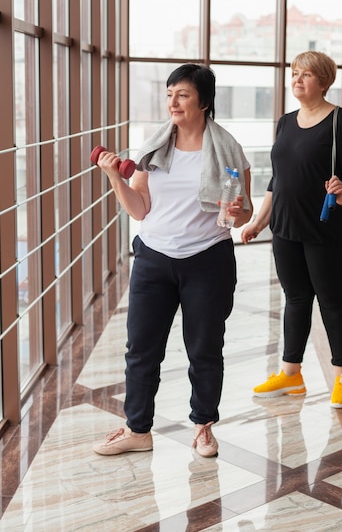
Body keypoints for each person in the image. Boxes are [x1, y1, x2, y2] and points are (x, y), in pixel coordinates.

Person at [93, 63, 253, 457]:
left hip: (207, 259)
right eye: (169, 95)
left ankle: (202, 427)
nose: (173, 102)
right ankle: (138, 429)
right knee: (141, 348)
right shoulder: (154, 147)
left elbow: (244, 213)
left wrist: (236, 211)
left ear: (204, 101)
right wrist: (115, 177)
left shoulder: (229, 149)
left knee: (204, 348)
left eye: (182, 94)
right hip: (153, 258)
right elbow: (139, 209)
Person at [241, 51, 342, 409]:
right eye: (295, 73)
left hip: (325, 228)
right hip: (285, 228)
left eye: (306, 74)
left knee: (331, 301)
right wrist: (260, 221)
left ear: (324, 82)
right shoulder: (285, 122)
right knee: (296, 299)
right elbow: (277, 181)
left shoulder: (341, 122)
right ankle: (291, 373)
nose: (297, 79)